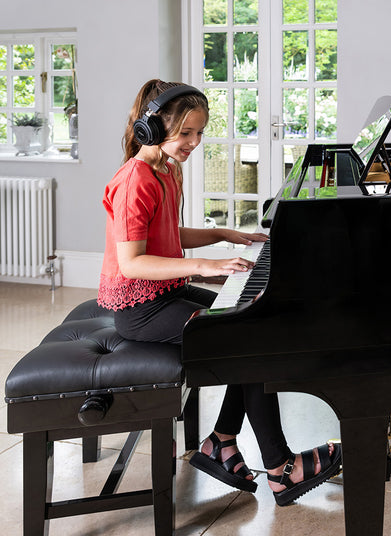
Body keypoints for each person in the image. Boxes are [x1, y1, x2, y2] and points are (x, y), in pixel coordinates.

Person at [97, 79, 341, 506]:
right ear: (152, 129)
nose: (194, 142)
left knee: (250, 325)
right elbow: (133, 262)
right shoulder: (135, 180)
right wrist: (207, 266)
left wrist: (223, 234)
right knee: (244, 339)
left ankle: (221, 443)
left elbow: (167, 235)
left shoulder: (166, 170)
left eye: (199, 133)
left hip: (164, 296)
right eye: (186, 133)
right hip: (142, 309)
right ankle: (279, 467)